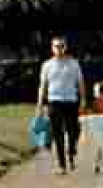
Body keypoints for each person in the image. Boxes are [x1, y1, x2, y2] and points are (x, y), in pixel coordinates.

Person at [35, 36, 87, 175]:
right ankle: (62, 165)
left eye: (61, 46)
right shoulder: (47, 65)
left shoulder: (73, 63)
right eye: (56, 46)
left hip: (70, 101)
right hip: (54, 101)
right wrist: (40, 104)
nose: (59, 49)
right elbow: (43, 85)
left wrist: (83, 100)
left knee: (74, 130)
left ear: (66, 47)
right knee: (57, 134)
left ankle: (71, 149)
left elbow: (80, 83)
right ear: (52, 49)